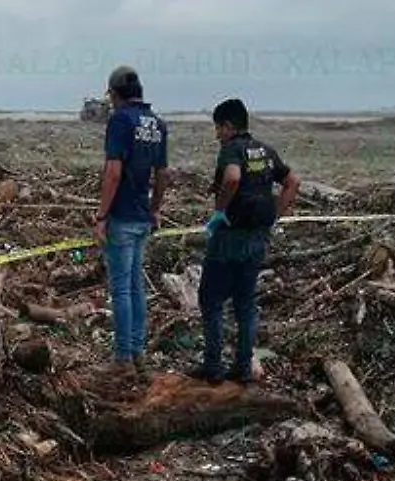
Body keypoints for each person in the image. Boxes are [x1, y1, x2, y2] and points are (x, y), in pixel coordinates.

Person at [194, 98, 300, 384]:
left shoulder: (232, 149)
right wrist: (275, 215)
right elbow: (293, 182)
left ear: (228, 126)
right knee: (244, 304)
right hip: (256, 237)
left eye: (218, 129)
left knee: (211, 300)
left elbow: (231, 179)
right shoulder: (264, 151)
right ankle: (243, 368)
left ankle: (213, 368)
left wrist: (218, 212)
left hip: (230, 236)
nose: (217, 135)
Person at [94, 65, 171, 378]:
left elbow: (112, 172)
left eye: (110, 96)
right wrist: (155, 208)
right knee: (137, 287)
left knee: (122, 290)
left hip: (123, 218)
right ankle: (138, 352)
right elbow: (163, 174)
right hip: (142, 217)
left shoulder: (120, 120)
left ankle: (123, 358)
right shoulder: (157, 123)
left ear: (115, 94)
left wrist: (101, 216)